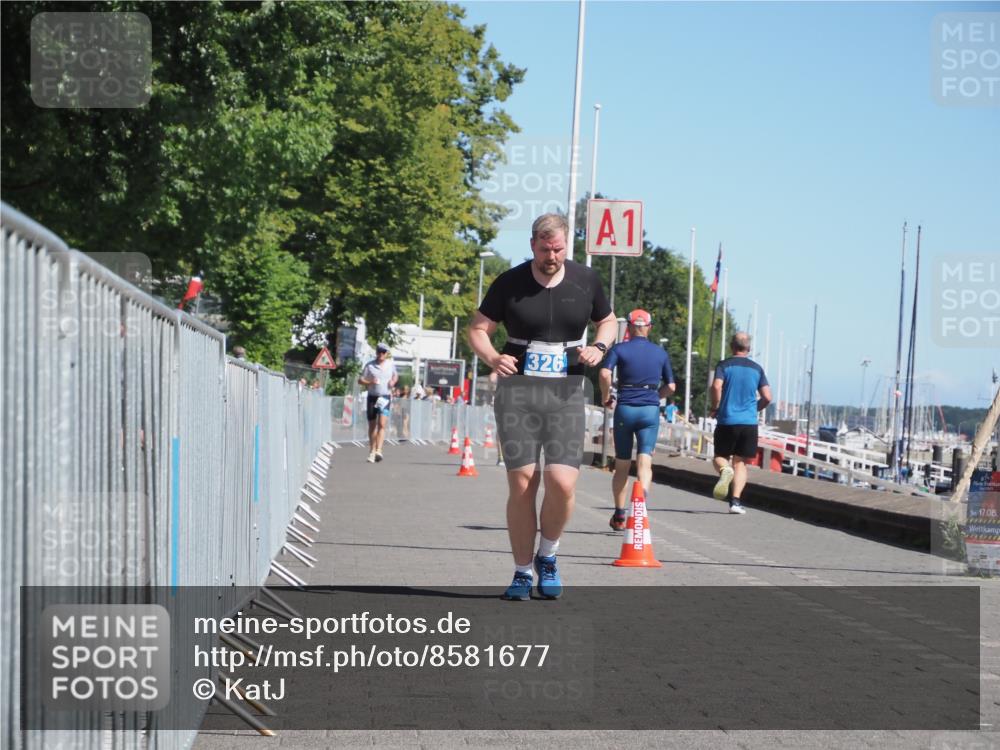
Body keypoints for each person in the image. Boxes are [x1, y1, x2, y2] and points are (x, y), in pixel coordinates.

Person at [468, 212, 617, 601]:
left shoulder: (585, 280)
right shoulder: (510, 282)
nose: (552, 257)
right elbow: (478, 329)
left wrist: (599, 347)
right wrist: (492, 357)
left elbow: (609, 321)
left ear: (568, 245)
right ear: (532, 244)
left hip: (566, 393)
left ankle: (547, 554)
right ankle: (521, 571)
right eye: (545, 249)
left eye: (559, 249)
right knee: (522, 483)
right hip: (518, 394)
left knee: (563, 482)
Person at [599, 309, 676, 530]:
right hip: (649, 411)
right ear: (649, 328)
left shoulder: (620, 349)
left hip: (625, 408)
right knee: (645, 462)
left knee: (622, 464)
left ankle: (620, 514)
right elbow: (671, 386)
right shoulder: (660, 353)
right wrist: (655, 397)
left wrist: (606, 397)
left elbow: (605, 374)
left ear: (630, 327)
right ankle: (639, 512)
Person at [709, 332, 772, 514]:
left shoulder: (724, 365)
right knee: (741, 463)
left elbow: (716, 386)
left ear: (731, 346)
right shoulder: (757, 369)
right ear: (749, 348)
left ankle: (724, 470)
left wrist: (716, 406)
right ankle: (735, 502)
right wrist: (754, 409)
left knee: (720, 456)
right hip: (749, 423)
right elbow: (767, 397)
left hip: (727, 420)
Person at [358, 343, 398, 463]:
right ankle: (372, 451)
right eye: (379, 352)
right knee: (372, 425)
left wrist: (393, 382)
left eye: (384, 352)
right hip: (372, 397)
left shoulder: (390, 364)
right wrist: (369, 381)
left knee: (382, 424)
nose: (381, 354)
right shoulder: (369, 365)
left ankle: (379, 450)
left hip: (384, 397)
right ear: (376, 352)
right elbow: (360, 380)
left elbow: (396, 376)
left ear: (386, 354)